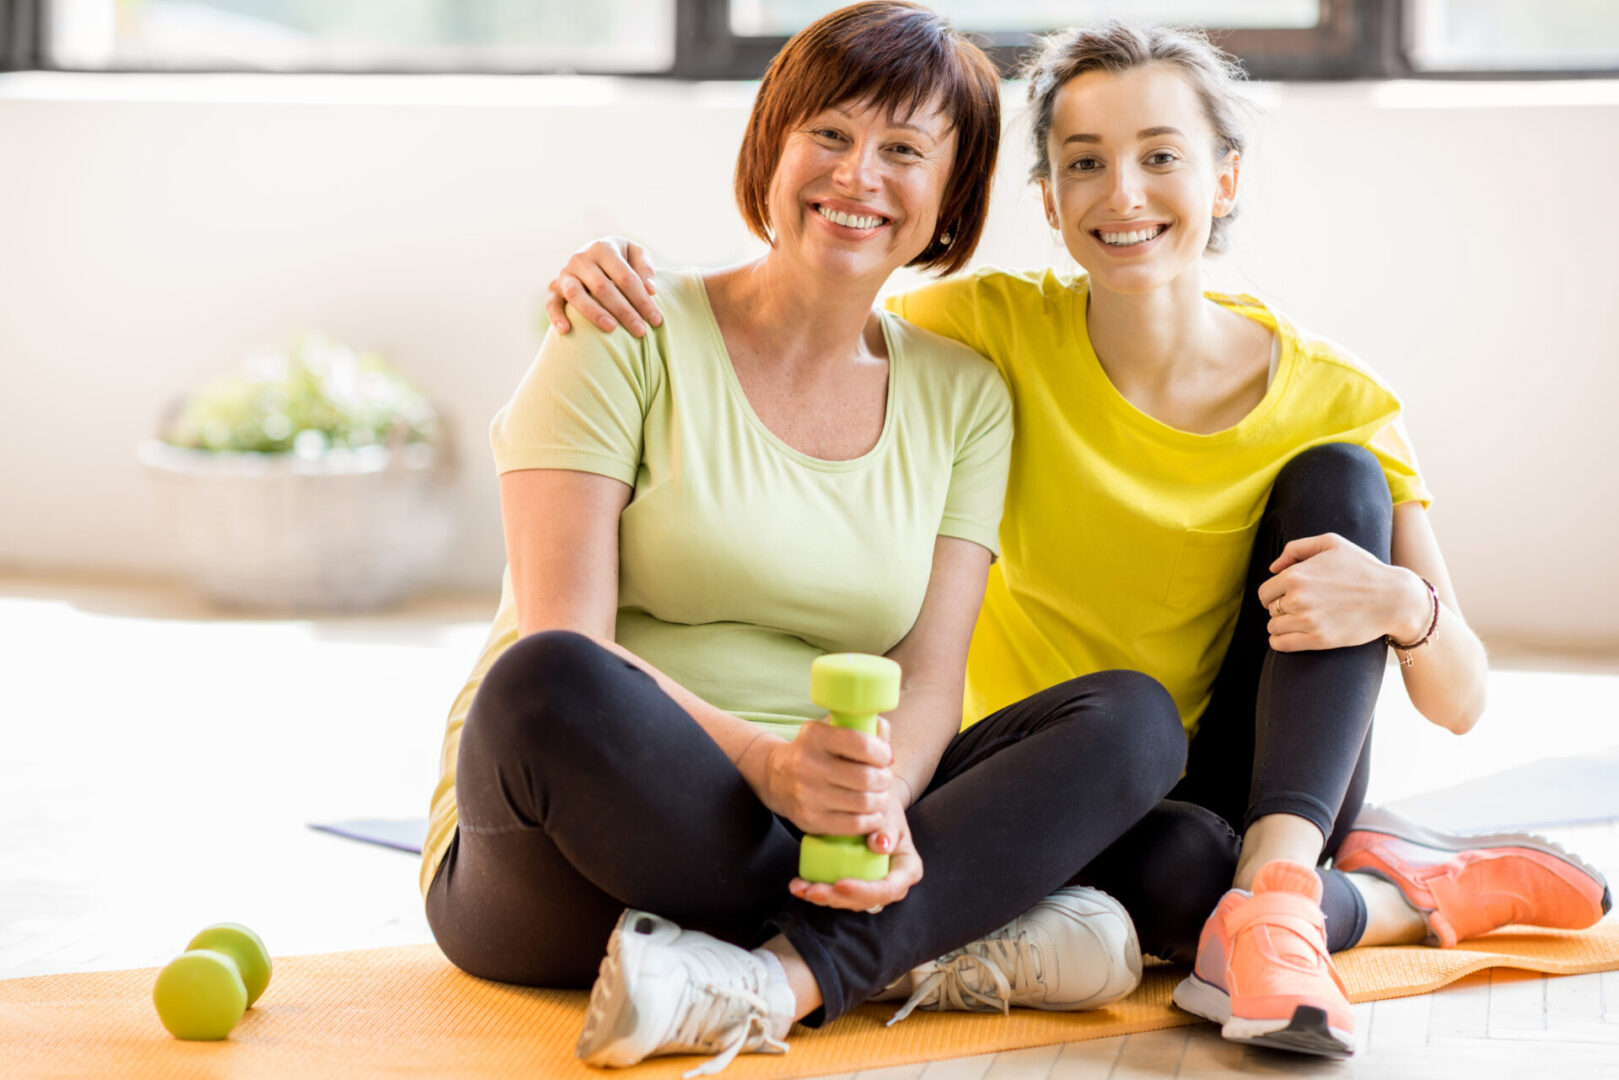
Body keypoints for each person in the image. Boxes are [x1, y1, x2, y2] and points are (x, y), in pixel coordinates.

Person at [543, 18, 1612, 1060]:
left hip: (1263, 769)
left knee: (1334, 484)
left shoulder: (1336, 395)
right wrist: (625, 279)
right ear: (1047, 199)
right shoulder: (989, 335)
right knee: (1178, 887)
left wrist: (1404, 609)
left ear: (1223, 179)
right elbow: (820, 295)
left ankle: (1288, 894)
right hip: (1071, 773)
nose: (1123, 194)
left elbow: (1459, 699)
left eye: (1160, 157)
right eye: (1084, 162)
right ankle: (1388, 892)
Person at [423, 5, 1190, 1075]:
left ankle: (784, 972)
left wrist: (873, 804)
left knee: (1135, 730)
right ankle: (921, 943)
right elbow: (571, 636)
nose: (856, 175)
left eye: (904, 150)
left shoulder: (963, 398)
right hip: (578, 845)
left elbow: (928, 685)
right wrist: (768, 767)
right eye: (826, 133)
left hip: (820, 836)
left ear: (948, 199)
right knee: (545, 676)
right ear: (770, 148)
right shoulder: (622, 328)